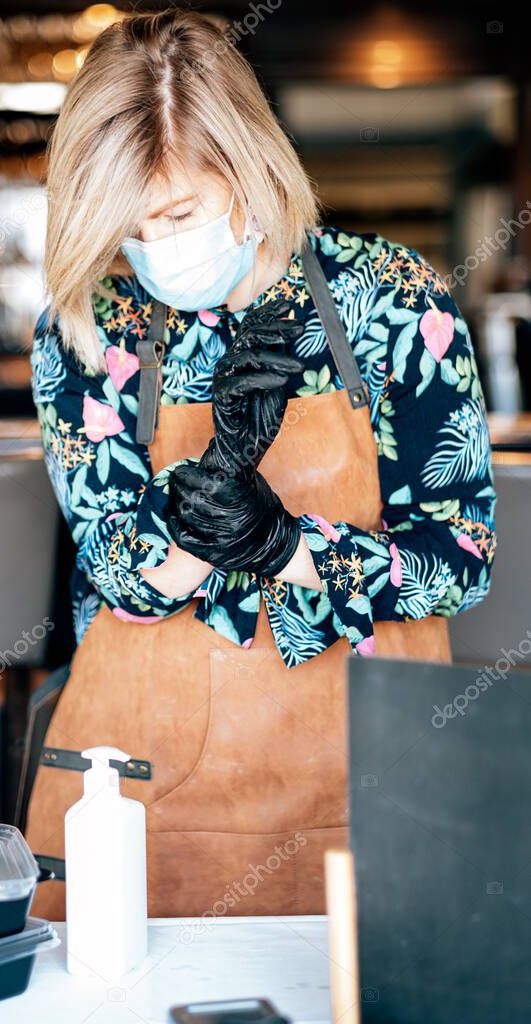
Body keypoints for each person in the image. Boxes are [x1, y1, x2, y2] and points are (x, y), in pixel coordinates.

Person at [25, 9, 497, 921]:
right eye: (128, 227)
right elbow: (121, 570)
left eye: (176, 213)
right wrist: (210, 516)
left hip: (378, 772)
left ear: (246, 170)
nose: (153, 249)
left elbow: (461, 559)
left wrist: (285, 547)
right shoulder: (89, 324)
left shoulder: (391, 300)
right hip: (144, 784)